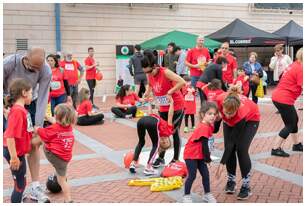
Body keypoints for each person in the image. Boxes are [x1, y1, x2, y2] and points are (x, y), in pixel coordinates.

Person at [3, 47, 51, 202]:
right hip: (9, 102)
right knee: (13, 143)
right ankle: (19, 182)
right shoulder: (10, 63)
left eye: (38, 69)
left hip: (31, 102)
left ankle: (35, 186)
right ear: (25, 58)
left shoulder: (45, 69)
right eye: (32, 67)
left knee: (33, 144)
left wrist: (38, 124)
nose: (34, 71)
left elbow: (43, 96)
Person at [215, 85, 260, 200]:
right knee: (228, 149)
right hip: (232, 120)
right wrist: (215, 124)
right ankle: (231, 180)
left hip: (251, 120)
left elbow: (231, 142)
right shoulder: (219, 100)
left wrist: (221, 163)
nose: (228, 116)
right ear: (223, 106)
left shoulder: (241, 113)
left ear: (236, 110)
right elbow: (216, 119)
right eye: (226, 113)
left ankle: (246, 185)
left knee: (241, 149)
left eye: (231, 114)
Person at [142, 49, 185, 167]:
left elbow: (182, 82)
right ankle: (161, 158)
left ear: (155, 66)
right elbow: (150, 84)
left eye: (150, 71)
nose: (149, 74)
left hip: (176, 105)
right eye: (146, 72)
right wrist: (147, 92)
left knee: (173, 132)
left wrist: (170, 91)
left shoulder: (165, 72)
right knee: (163, 133)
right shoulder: (149, 74)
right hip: (163, 107)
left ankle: (176, 159)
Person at [35, 104, 76, 203]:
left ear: (58, 118)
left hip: (54, 156)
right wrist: (46, 116)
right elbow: (55, 122)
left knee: (62, 181)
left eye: (55, 115)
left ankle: (68, 200)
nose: (54, 117)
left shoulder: (54, 129)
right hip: (65, 157)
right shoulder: (69, 127)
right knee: (62, 175)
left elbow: (44, 133)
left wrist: (37, 129)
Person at [3, 79, 33, 203]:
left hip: (18, 152)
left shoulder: (19, 110)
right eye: (31, 92)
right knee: (20, 185)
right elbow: (10, 136)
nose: (32, 95)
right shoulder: (18, 111)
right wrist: (14, 157)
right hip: (15, 153)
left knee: (22, 182)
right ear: (24, 93)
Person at [183, 102, 218, 203]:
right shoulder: (203, 127)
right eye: (209, 113)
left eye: (214, 114)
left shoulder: (208, 125)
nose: (212, 116)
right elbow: (204, 145)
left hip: (200, 154)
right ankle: (186, 196)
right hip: (191, 155)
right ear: (203, 114)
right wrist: (208, 159)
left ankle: (207, 194)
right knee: (192, 175)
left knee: (205, 174)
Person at [271, 48, 303, 157]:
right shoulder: (301, 68)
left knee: (294, 120)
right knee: (290, 124)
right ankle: (275, 148)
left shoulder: (295, 64)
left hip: (279, 96)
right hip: (284, 98)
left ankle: (296, 144)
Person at [129, 97, 174, 175]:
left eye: (163, 143)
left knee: (141, 142)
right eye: (166, 141)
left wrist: (149, 103)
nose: (163, 140)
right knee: (154, 145)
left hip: (142, 121)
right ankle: (148, 167)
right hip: (146, 120)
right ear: (169, 139)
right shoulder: (169, 131)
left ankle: (133, 163)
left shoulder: (158, 135)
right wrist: (172, 104)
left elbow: (150, 115)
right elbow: (170, 116)